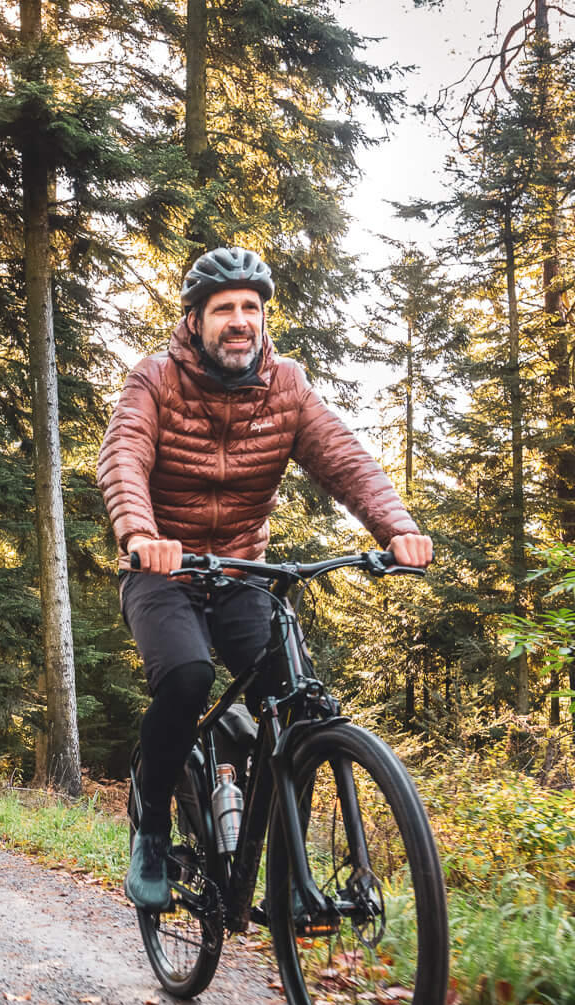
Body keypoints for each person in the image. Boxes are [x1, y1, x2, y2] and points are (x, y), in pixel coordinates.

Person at [97, 248, 433, 913]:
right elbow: (124, 454)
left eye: (251, 308)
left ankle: (285, 878)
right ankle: (153, 831)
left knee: (298, 703)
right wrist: (139, 534)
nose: (240, 320)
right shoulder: (155, 379)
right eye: (224, 308)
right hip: (163, 570)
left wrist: (396, 527)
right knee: (187, 677)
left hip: (243, 573)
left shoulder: (287, 386)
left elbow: (344, 459)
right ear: (194, 320)